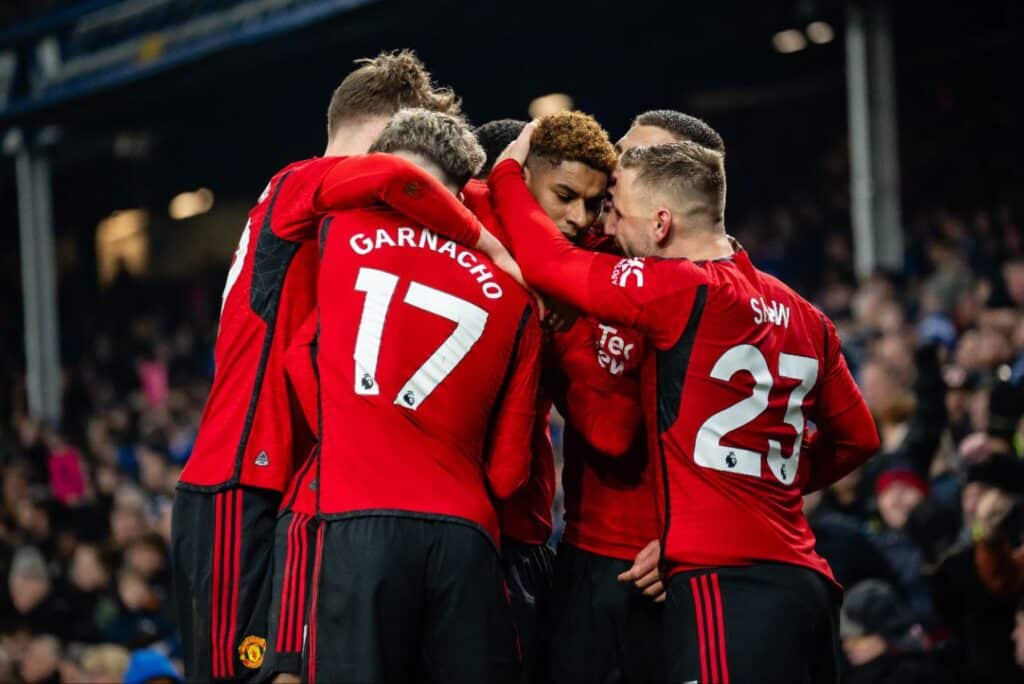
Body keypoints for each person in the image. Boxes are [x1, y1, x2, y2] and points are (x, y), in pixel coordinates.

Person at [478, 127, 879, 682]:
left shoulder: (680, 290)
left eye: (617, 210)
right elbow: (860, 437)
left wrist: (504, 172)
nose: (605, 226)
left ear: (661, 222)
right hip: (805, 581)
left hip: (722, 578)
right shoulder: (807, 315)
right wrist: (765, 477)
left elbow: (550, 264)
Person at [171, 49, 460, 683]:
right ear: (382, 132)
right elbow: (393, 179)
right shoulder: (298, 183)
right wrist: (488, 239)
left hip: (300, 496)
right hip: (240, 483)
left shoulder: (342, 221)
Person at [284, 109, 540, 684]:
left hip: (358, 519)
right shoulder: (517, 294)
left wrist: (353, 430)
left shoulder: (337, 230)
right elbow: (509, 474)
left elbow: (299, 356)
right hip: (465, 537)